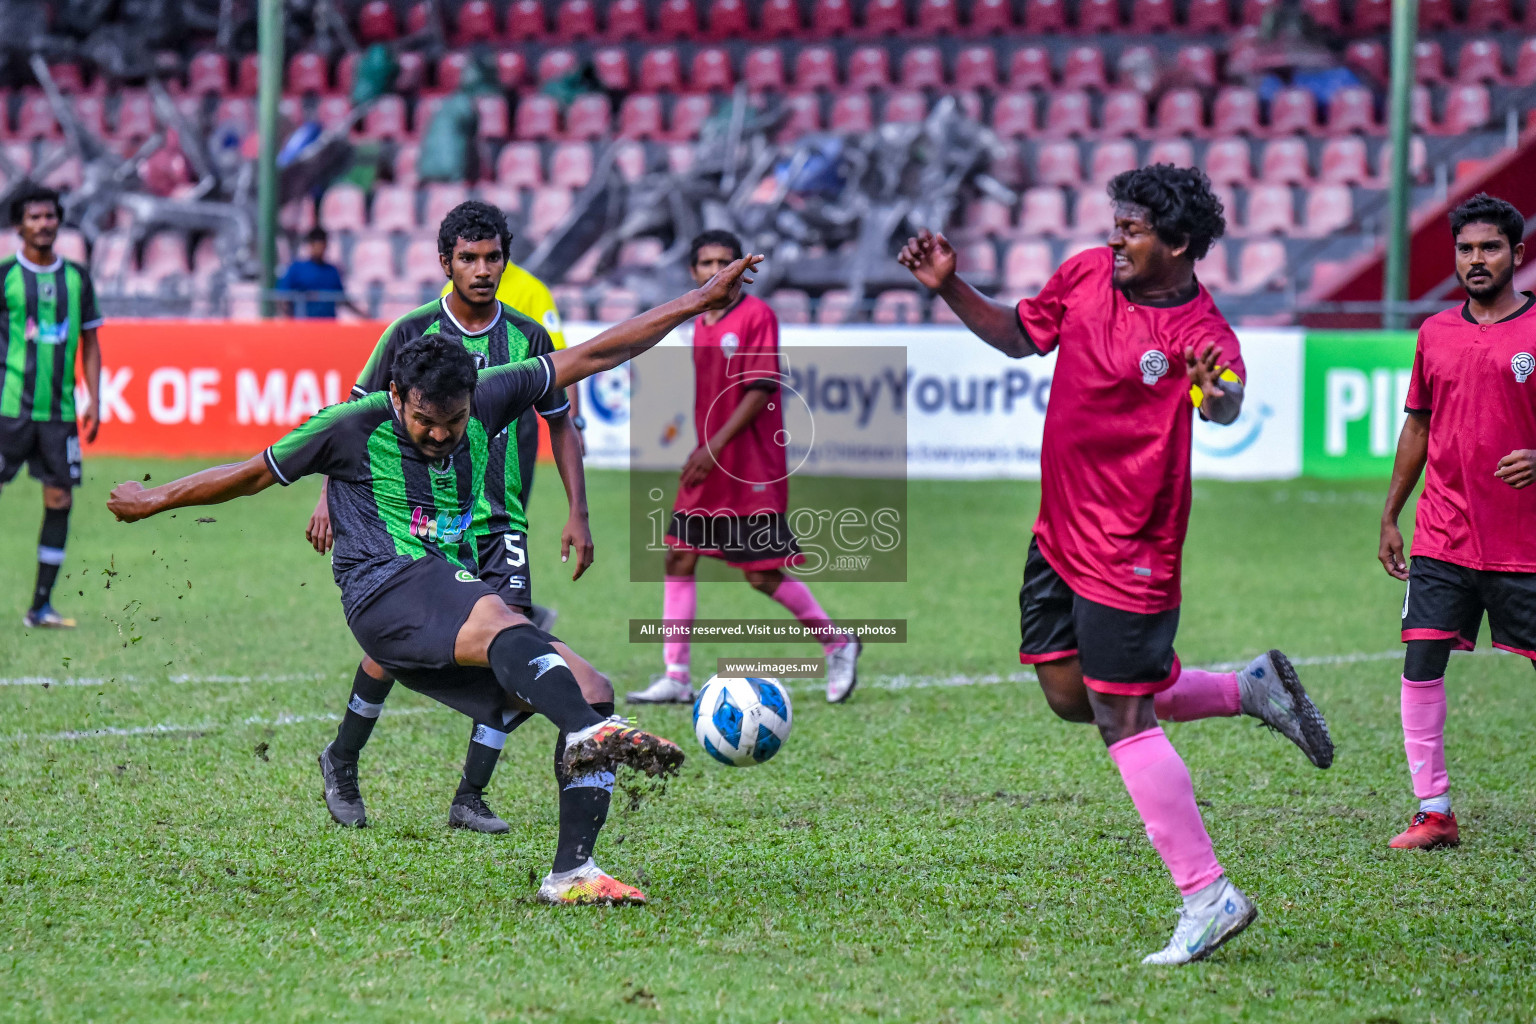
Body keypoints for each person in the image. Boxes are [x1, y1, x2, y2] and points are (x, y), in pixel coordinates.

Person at [107, 251, 765, 905]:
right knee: (505, 620)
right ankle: (585, 738)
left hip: (439, 598)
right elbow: (248, 474)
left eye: (452, 423)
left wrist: (696, 303)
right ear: (396, 397)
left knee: (590, 688)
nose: (439, 434)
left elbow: (595, 354)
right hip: (381, 591)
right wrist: (153, 498)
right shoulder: (350, 427)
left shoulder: (490, 395)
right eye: (424, 421)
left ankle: (573, 872)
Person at [898, 165, 1333, 966]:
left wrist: (1217, 395)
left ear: (1179, 245)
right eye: (1117, 223)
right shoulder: (1087, 275)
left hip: (1133, 549)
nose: (1115, 238)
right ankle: (1247, 688)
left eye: (1133, 229)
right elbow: (1020, 337)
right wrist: (950, 287)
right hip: (1058, 532)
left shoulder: (1202, 332)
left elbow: (1228, 396)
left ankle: (1208, 895)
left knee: (1120, 716)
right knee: (1071, 697)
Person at [307, 201, 590, 835]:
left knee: (516, 650)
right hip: (419, 517)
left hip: (502, 522)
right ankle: (344, 756)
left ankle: (469, 797)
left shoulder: (527, 338)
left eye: (492, 257)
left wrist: (578, 512)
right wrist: (328, 495)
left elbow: (560, 424)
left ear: (505, 260)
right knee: (393, 646)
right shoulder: (408, 332)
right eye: (468, 258)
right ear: (446, 263)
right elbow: (348, 422)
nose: (481, 269)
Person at [625, 230, 863, 706]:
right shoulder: (700, 320)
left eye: (724, 262)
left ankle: (839, 643)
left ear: (741, 269)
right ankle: (676, 675)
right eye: (706, 263)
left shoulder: (757, 316)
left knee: (760, 574)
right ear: (693, 272)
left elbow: (758, 391)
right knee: (678, 555)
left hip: (750, 466)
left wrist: (709, 449)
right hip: (710, 463)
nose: (715, 271)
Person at [1378, 193, 1534, 851]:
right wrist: (1390, 514)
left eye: (1490, 247)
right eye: (1466, 249)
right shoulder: (1434, 333)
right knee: (1421, 660)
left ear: (1516, 255)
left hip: (1525, 542)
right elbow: (1418, 423)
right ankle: (1434, 810)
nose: (1476, 259)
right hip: (1444, 533)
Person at [0, 183, 103, 629]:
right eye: (35, 217)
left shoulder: (77, 277)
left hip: (59, 415)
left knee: (59, 499)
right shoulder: (6, 275)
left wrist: (94, 396)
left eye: (50, 216)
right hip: (8, 410)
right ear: (19, 225)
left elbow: (91, 340)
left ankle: (41, 606)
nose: (44, 224)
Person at [276, 228, 363, 319]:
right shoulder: (297, 268)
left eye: (323, 245)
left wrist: (362, 314)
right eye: (317, 245)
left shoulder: (332, 271)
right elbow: (283, 297)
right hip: (305, 325)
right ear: (310, 245)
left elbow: (341, 299)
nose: (320, 249)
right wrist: (289, 318)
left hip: (328, 326)